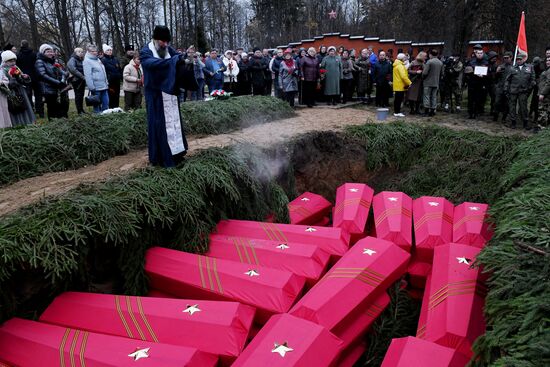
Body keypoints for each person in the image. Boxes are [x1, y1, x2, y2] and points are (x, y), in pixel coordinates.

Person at [140, 25, 189, 167]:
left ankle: (177, 153)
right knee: (159, 124)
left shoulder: (168, 50)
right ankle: (161, 157)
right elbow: (151, 64)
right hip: (156, 95)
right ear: (155, 39)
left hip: (170, 94)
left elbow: (177, 58)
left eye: (167, 42)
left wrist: (185, 58)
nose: (166, 44)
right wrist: (173, 61)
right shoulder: (146, 51)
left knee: (175, 124)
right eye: (163, 41)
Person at [1, 50, 35, 126]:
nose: (13, 62)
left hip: (20, 90)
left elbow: (21, 78)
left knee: (23, 106)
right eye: (10, 61)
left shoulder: (16, 68)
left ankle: (26, 122)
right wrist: (10, 82)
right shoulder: (2, 70)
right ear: (5, 61)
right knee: (14, 107)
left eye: (14, 60)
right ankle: (16, 124)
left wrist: (25, 78)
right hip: (11, 92)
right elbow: (3, 83)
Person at [35, 44, 69, 119]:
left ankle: (62, 123)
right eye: (48, 51)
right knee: (52, 109)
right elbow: (42, 75)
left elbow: (62, 72)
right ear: (43, 53)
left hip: (57, 88)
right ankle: (54, 125)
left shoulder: (52, 62)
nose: (50, 53)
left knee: (61, 107)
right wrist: (58, 83)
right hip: (48, 89)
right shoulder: (39, 62)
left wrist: (66, 74)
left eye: (51, 51)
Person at [505, 52, 535, 130]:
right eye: (517, 59)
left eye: (520, 59)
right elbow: (507, 80)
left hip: (523, 91)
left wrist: (529, 87)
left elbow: (532, 79)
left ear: (523, 59)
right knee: (512, 107)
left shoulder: (529, 67)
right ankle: (513, 122)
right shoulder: (512, 68)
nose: (518, 61)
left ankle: (525, 122)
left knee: (523, 107)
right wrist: (506, 89)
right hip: (513, 91)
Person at [17, 40, 43, 118]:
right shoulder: (34, 54)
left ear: (21, 45)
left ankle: (31, 110)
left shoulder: (18, 55)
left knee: (28, 95)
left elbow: (18, 67)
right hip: (35, 76)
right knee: (38, 94)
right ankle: (40, 110)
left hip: (25, 77)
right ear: (28, 45)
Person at [83, 44, 109, 113]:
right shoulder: (87, 61)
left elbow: (103, 72)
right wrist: (91, 87)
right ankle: (97, 118)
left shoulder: (97, 59)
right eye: (93, 51)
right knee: (97, 106)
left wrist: (106, 82)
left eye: (96, 51)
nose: (95, 52)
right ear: (88, 51)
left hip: (104, 86)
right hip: (96, 87)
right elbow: (88, 76)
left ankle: (106, 117)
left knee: (106, 104)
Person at [466, 45, 489, 119]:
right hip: (472, 83)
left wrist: (484, 76)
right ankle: (470, 113)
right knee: (470, 99)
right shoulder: (471, 61)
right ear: (475, 54)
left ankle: (476, 112)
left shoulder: (486, 62)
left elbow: (489, 73)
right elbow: (467, 71)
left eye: (481, 53)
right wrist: (473, 73)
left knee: (478, 99)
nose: (480, 54)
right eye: (478, 53)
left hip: (481, 83)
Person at [422, 49, 444, 116]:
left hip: (428, 82)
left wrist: (423, 77)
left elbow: (425, 72)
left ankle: (426, 111)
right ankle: (432, 111)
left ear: (430, 54)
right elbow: (442, 73)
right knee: (434, 97)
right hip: (436, 82)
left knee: (426, 96)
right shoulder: (440, 63)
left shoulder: (429, 62)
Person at [493, 51, 513, 122]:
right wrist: (497, 72)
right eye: (504, 58)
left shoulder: (513, 67)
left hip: (509, 88)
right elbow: (495, 78)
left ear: (511, 58)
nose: (506, 59)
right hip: (500, 87)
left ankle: (504, 117)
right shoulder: (501, 66)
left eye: (507, 58)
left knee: (506, 104)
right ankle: (495, 116)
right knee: (497, 102)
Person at [101, 44, 122, 108]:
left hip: (117, 81)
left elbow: (119, 69)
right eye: (108, 50)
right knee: (111, 95)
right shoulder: (103, 60)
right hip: (110, 82)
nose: (110, 51)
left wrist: (120, 76)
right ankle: (111, 108)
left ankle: (116, 107)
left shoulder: (115, 59)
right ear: (105, 52)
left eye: (110, 50)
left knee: (117, 95)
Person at [67, 47, 86, 114]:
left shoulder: (80, 60)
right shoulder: (72, 59)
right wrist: (82, 76)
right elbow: (73, 70)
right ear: (75, 53)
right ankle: (79, 111)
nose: (81, 53)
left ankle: (81, 110)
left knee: (81, 95)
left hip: (81, 80)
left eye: (82, 52)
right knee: (78, 96)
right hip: (76, 80)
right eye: (79, 52)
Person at [392, 53, 411, 117]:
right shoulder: (400, 66)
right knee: (399, 100)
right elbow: (403, 76)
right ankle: (397, 112)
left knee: (397, 99)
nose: (405, 58)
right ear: (402, 58)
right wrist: (409, 82)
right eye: (404, 57)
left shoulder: (396, 64)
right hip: (400, 85)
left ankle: (396, 111)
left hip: (397, 85)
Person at [536, 57, 550, 130]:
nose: (547, 62)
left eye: (549, 61)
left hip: (545, 95)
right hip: (543, 94)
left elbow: (549, 83)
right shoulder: (547, 70)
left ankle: (541, 127)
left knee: (542, 111)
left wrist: (542, 94)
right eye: (547, 61)